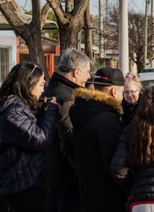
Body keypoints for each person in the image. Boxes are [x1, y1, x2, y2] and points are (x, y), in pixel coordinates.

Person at [0, 62, 60, 211]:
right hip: (19, 186)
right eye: (40, 85)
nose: (43, 90)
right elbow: (39, 139)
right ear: (28, 84)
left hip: (25, 181)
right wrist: (51, 111)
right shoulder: (13, 110)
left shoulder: (19, 105)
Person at [69, 67, 126, 212]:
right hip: (107, 197)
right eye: (122, 92)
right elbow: (112, 164)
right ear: (114, 92)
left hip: (87, 192)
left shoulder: (83, 110)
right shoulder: (108, 119)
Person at [43, 48, 91, 212]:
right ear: (77, 72)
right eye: (87, 72)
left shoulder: (49, 90)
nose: (89, 77)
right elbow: (70, 140)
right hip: (66, 179)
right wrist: (84, 174)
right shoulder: (69, 97)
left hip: (49, 176)